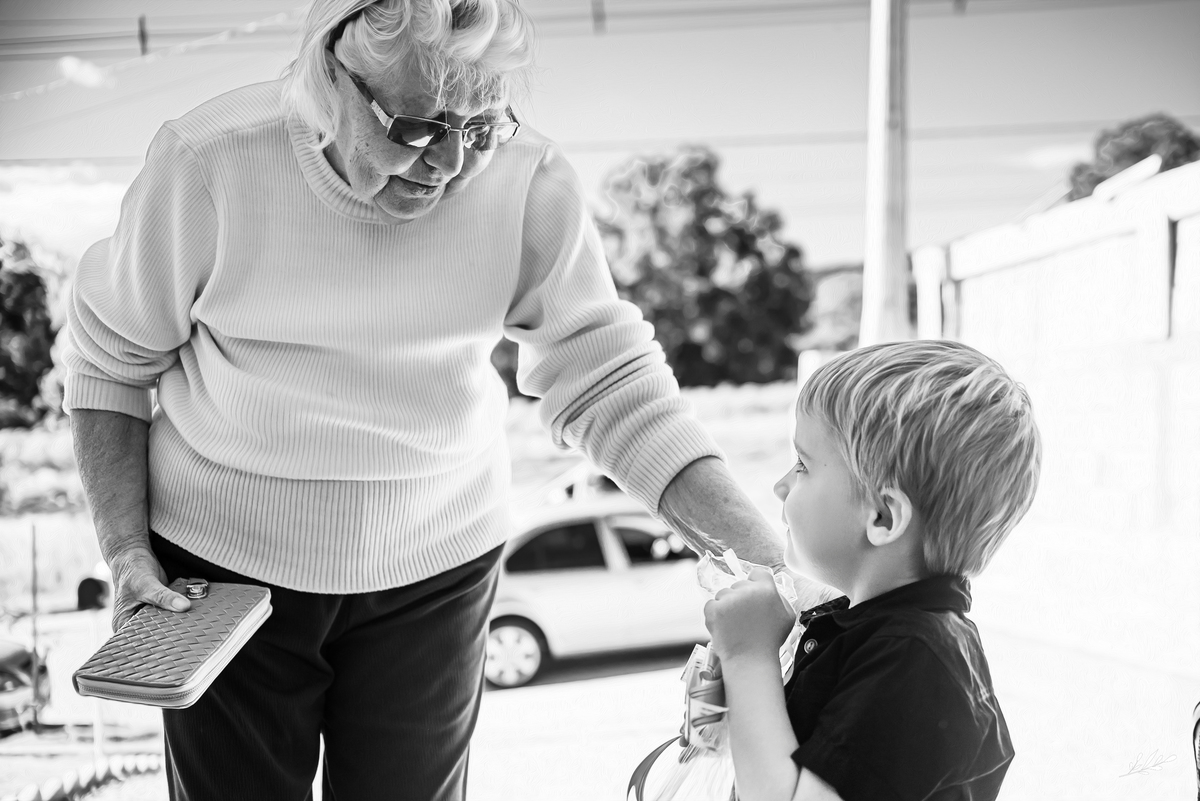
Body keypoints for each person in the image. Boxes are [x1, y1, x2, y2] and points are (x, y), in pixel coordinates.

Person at [63, 1, 819, 798]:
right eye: (416, 126)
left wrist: (779, 571)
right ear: (329, 75)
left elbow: (609, 384)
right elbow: (110, 362)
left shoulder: (528, 179)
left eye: (482, 126)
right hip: (222, 572)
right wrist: (125, 552)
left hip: (436, 565)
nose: (451, 163)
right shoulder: (212, 162)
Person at [703, 341, 1041, 801]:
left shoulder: (912, 660)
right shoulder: (878, 633)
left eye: (802, 466)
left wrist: (748, 656)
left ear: (883, 517)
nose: (780, 485)